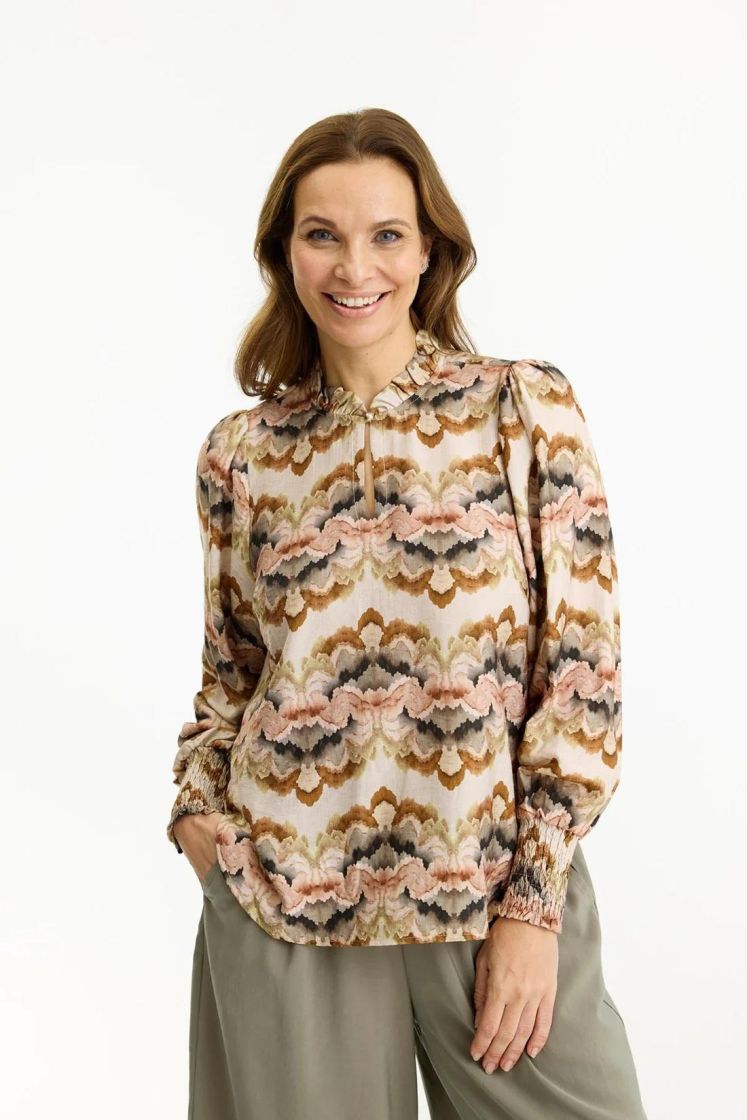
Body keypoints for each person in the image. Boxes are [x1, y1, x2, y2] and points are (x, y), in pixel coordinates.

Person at [166, 107, 648, 1120]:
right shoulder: (241, 455)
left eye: (386, 233)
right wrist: (201, 817)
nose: (355, 267)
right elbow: (232, 670)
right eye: (322, 234)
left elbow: (583, 672)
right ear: (284, 253)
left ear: (430, 249)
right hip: (283, 898)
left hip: (490, 887)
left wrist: (533, 904)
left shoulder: (522, 410)